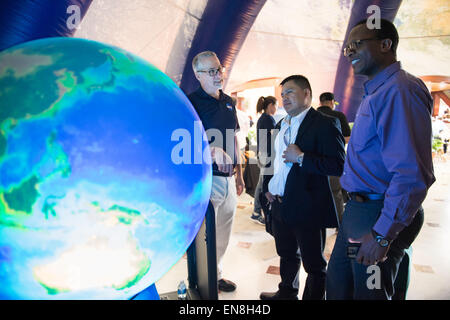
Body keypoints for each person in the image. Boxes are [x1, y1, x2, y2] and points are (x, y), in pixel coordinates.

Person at [326, 19, 435, 300]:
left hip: (378, 212)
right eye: (347, 47)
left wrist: (382, 235)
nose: (349, 52)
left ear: (386, 45)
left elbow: (411, 174)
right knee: (339, 288)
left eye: (357, 44)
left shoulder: (399, 91)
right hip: (359, 210)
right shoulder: (377, 91)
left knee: (369, 295)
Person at [259, 75, 345, 300]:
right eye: (282, 94)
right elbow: (276, 161)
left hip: (308, 204)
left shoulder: (325, 123)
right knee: (286, 254)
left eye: (290, 92)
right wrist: (269, 186)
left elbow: (338, 165)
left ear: (307, 94)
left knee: (314, 264)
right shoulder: (281, 123)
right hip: (279, 203)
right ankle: (287, 293)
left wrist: (302, 158)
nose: (284, 98)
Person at [187, 51, 244, 293]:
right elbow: (185, 144)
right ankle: (202, 280)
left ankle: (216, 273)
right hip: (205, 180)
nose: (218, 75)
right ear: (198, 75)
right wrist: (213, 150)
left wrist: (240, 174)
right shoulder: (191, 103)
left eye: (219, 69)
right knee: (205, 236)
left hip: (228, 180)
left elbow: (234, 140)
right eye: (211, 71)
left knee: (223, 231)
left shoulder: (229, 102)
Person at [317, 92, 352, 224]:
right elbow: (348, 138)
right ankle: (339, 224)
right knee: (336, 194)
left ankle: (319, 223)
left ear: (320, 102)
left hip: (314, 160)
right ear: (332, 102)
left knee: (317, 193)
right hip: (334, 160)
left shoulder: (311, 116)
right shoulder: (338, 116)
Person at [250, 96, 277, 225]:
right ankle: (256, 212)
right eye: (275, 105)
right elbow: (274, 138)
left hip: (263, 154)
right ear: (270, 105)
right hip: (266, 155)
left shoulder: (263, 119)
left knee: (261, 184)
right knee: (262, 185)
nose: (276, 108)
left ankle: (257, 211)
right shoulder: (268, 119)